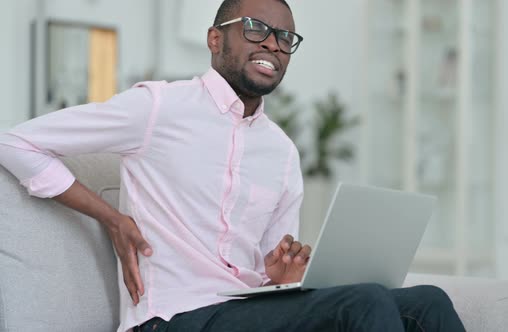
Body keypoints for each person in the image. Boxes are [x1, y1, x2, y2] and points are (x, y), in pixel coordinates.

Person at [0, 0, 466, 331]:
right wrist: (113, 218)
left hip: (245, 310)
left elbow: (268, 271)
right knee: (362, 302)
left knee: (428, 302)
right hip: (176, 318)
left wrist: (280, 279)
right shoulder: (160, 107)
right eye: (256, 28)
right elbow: (15, 142)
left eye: (285, 37)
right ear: (215, 38)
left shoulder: (281, 152)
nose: (274, 44)